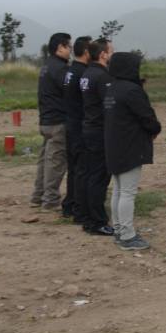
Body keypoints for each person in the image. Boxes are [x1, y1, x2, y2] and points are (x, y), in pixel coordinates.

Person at [104, 51, 161, 251]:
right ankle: (127, 236)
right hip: (130, 147)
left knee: (119, 190)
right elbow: (147, 117)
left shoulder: (111, 88)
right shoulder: (131, 90)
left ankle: (119, 230)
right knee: (127, 192)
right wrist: (155, 129)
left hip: (114, 146)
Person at [79, 37, 115, 237]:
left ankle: (87, 217)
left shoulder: (87, 73)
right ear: (103, 54)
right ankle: (97, 221)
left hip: (88, 128)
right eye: (110, 51)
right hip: (99, 131)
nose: (111, 54)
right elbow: (110, 106)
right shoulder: (103, 77)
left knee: (90, 175)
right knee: (99, 178)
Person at [31, 33, 70, 210]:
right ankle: (51, 200)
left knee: (45, 160)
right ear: (60, 48)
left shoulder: (46, 66)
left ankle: (37, 196)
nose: (70, 50)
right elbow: (69, 93)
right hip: (57, 121)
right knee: (56, 161)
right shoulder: (60, 69)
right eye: (68, 46)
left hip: (45, 121)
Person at [61, 36, 92, 224]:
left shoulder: (71, 71)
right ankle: (79, 207)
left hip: (70, 125)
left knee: (74, 169)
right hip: (80, 127)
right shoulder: (83, 74)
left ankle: (70, 204)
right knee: (81, 170)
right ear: (87, 52)